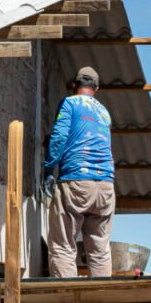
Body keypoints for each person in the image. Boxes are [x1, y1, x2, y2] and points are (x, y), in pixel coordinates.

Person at [43, 66, 115, 278]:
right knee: (100, 250)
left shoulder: (70, 103)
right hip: (106, 186)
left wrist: (48, 169)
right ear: (97, 88)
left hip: (76, 181)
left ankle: (66, 301)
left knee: (63, 245)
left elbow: (59, 138)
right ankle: (102, 301)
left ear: (74, 85)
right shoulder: (104, 113)